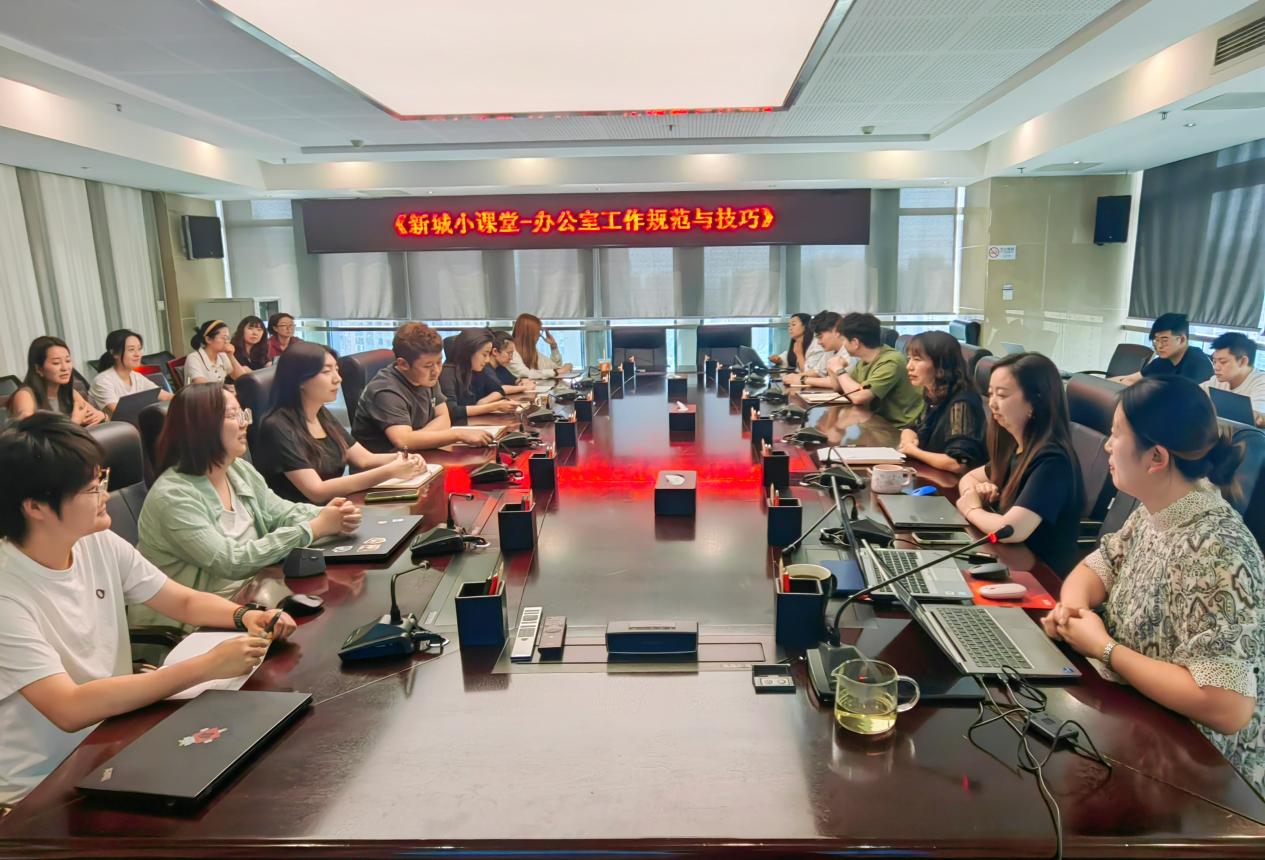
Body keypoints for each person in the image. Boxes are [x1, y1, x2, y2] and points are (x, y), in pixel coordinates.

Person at [0, 413, 296, 806]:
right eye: (91, 488)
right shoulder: (7, 592)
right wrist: (205, 666)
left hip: (113, 735)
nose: (106, 494)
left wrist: (245, 616)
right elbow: (68, 707)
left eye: (102, 479)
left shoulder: (96, 541)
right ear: (35, 507)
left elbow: (180, 599)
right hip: (43, 785)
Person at [1041, 376, 1264, 796]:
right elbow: (1097, 566)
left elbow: (1226, 705)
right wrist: (1073, 611)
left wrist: (1104, 648)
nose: (1107, 446)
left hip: (1200, 772)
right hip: (1138, 720)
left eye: (1116, 435)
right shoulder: (1157, 509)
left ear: (1156, 457)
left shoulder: (1216, 549)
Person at [134, 384, 360, 628]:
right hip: (196, 623)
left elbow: (279, 512)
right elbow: (231, 561)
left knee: (338, 614)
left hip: (254, 597)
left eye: (243, 414)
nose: (244, 424)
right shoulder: (173, 496)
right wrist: (314, 528)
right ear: (200, 426)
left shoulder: (237, 469)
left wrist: (329, 514)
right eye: (233, 415)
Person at [957, 352, 1083, 576]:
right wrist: (973, 493)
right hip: (1012, 563)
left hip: (1043, 578)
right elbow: (970, 477)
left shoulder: (1053, 460)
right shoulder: (1016, 446)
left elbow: (1010, 530)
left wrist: (971, 508)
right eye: (990, 394)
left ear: (1036, 400)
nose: (992, 403)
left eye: (1002, 395)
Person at [256, 342, 428, 503]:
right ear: (300, 380)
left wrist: (403, 458)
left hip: (338, 507)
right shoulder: (277, 426)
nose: (337, 379)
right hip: (307, 518)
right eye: (326, 372)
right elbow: (316, 491)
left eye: (336, 370)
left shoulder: (321, 413)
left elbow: (364, 459)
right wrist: (390, 471)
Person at [352, 322, 495, 453]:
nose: (436, 371)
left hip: (418, 456)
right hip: (386, 466)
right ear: (403, 364)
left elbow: (444, 418)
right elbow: (403, 441)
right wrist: (457, 434)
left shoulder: (427, 378)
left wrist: (417, 439)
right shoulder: (385, 391)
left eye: (439, 362)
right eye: (428, 365)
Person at [898, 331, 987, 474]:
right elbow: (913, 427)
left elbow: (958, 463)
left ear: (941, 366)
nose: (909, 366)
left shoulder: (962, 403)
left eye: (917, 359)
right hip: (932, 474)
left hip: (953, 483)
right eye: (909, 359)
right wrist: (908, 439)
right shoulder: (934, 393)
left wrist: (914, 451)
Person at [7, 337, 106, 427]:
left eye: (68, 361)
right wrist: (74, 422)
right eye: (56, 363)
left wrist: (102, 415)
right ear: (38, 369)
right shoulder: (24, 396)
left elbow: (93, 414)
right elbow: (31, 435)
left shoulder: (70, 392)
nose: (65, 368)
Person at [439, 329, 521, 424]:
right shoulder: (447, 373)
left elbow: (498, 389)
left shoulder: (476, 370)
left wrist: (484, 402)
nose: (487, 360)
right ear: (469, 352)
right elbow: (452, 411)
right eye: (484, 354)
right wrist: (494, 407)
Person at [88, 329, 173, 415]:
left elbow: (166, 396)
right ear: (115, 353)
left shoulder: (137, 377)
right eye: (131, 350)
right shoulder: (103, 381)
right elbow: (120, 414)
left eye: (139, 349)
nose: (137, 354)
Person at [1114, 313, 1213, 386]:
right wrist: (1106, 383)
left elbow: (1181, 399)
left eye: (1164, 341)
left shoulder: (1197, 363)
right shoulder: (1164, 360)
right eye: (1156, 340)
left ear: (1182, 339)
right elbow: (1130, 379)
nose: (1159, 346)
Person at [1202, 331, 1265, 426]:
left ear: (1243, 361)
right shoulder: (1217, 380)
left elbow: (1257, 419)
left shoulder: (1261, 383)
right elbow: (1193, 392)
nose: (1216, 367)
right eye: (1214, 361)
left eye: (1223, 362)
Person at [781, 311, 848, 389]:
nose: (819, 342)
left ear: (836, 331)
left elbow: (839, 382)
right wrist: (794, 377)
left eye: (820, 337)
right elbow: (818, 371)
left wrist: (803, 379)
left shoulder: (849, 351)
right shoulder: (830, 350)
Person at [184, 320, 250, 386]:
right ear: (208, 339)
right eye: (224, 338)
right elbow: (202, 386)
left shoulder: (222, 355)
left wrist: (231, 356)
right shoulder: (193, 358)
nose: (227, 342)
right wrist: (225, 389)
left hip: (218, 392)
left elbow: (242, 378)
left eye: (228, 338)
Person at [508, 313, 573, 379]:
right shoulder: (510, 352)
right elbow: (526, 373)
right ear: (529, 333)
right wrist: (558, 371)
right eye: (538, 331)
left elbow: (554, 367)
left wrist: (553, 346)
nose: (539, 335)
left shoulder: (533, 352)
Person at [484, 330, 532, 396]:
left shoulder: (500, 367)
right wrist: (525, 387)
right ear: (495, 351)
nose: (511, 358)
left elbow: (515, 381)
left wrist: (522, 382)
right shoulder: (485, 369)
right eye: (509, 353)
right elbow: (500, 389)